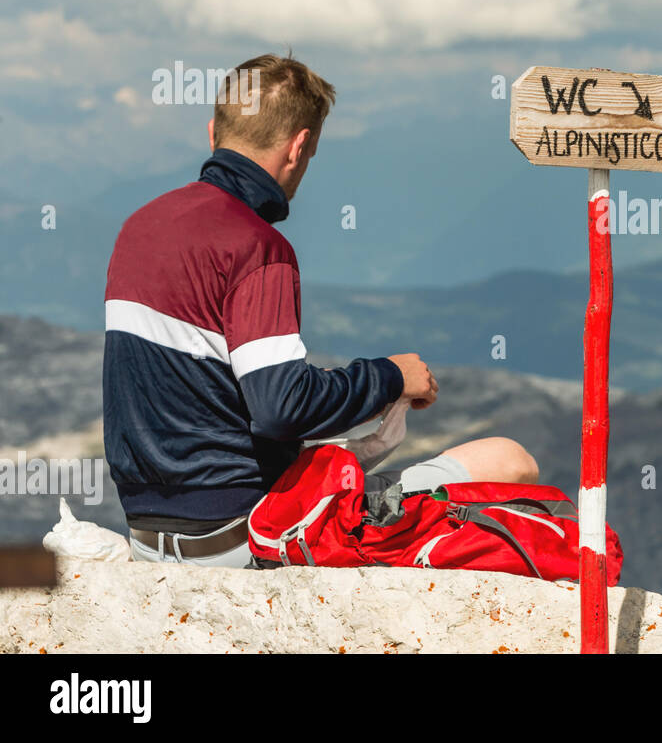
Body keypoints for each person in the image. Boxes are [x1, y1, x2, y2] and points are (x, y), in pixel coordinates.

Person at [102, 53, 538, 567]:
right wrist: (390, 377)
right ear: (299, 146)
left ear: (213, 130)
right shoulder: (255, 246)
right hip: (243, 537)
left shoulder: (139, 228)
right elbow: (279, 407)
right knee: (509, 462)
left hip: (148, 536)